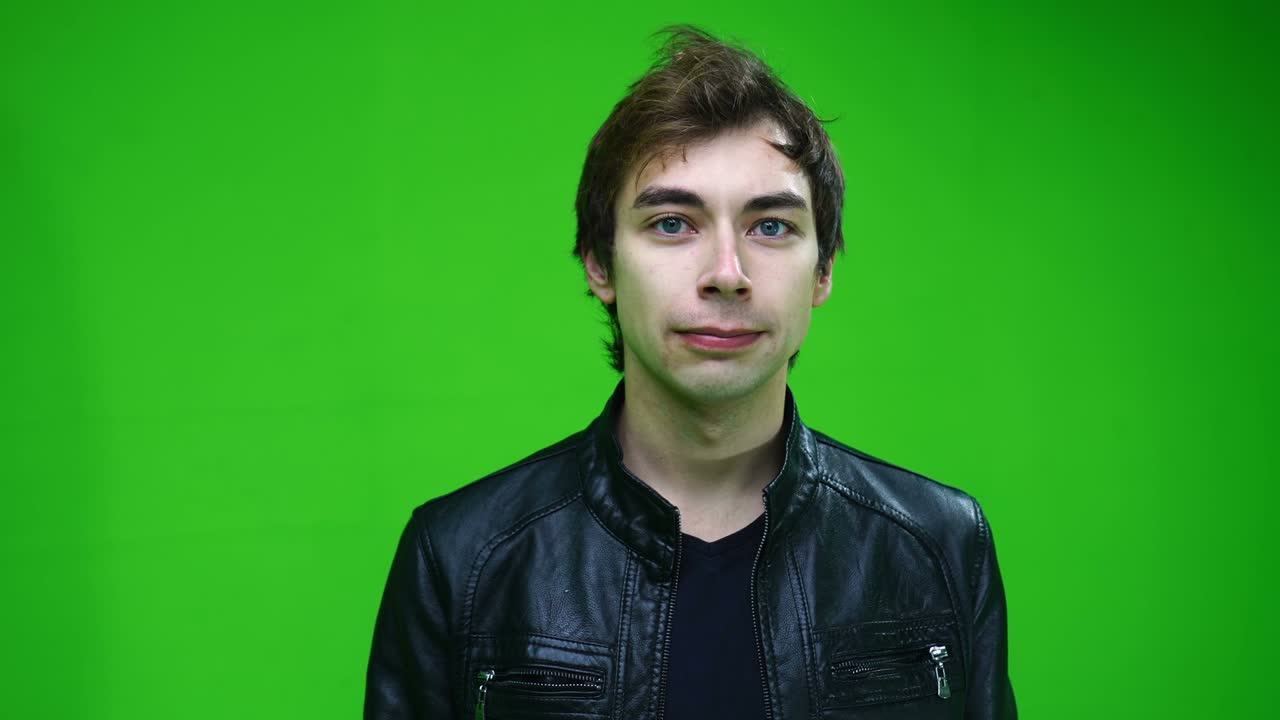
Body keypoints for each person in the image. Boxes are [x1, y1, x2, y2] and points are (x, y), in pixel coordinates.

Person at [365, 25, 1016, 719]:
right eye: (674, 223)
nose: (727, 275)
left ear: (823, 270)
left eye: (770, 226)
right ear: (599, 262)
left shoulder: (940, 543)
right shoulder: (461, 559)